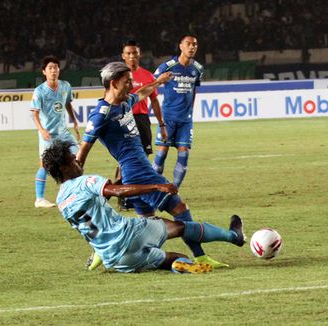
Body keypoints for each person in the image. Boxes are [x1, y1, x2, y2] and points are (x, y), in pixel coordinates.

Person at [76, 62, 236, 268]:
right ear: (114, 83)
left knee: (149, 222)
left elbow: (142, 93)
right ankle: (202, 255)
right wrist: (74, 179)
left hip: (134, 173)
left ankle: (102, 251)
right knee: (180, 209)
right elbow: (83, 149)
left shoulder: (123, 102)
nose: (131, 85)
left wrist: (158, 82)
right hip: (140, 173)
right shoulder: (101, 114)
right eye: (127, 82)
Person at [42, 140, 246, 273]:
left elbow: (102, 202)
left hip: (115, 259)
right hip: (128, 234)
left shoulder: (61, 200)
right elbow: (117, 192)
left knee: (175, 258)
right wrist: (156, 186)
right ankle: (234, 236)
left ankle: (179, 265)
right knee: (179, 226)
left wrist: (118, 183)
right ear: (64, 167)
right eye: (72, 160)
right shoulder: (85, 181)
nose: (78, 161)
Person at [115, 40, 167, 209]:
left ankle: (137, 194)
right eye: (128, 53)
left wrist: (161, 124)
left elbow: (155, 101)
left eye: (134, 53)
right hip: (125, 119)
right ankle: (122, 197)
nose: (132, 56)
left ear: (139, 55)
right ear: (123, 56)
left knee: (142, 158)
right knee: (125, 159)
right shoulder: (118, 77)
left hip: (142, 120)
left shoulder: (147, 76)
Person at [151, 34, 203, 188]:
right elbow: (153, 84)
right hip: (168, 118)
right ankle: (154, 188)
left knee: (184, 153)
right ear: (181, 46)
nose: (192, 47)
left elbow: (194, 90)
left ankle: (174, 190)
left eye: (194, 44)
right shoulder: (167, 66)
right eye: (188, 44)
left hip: (186, 120)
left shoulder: (198, 69)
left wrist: (190, 111)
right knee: (161, 155)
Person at [30, 55, 81, 208]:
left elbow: (67, 104)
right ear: (44, 72)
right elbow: (35, 113)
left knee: (76, 157)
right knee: (45, 165)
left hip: (63, 132)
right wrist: (41, 130)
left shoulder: (65, 86)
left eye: (56, 68)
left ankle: (73, 192)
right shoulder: (39, 91)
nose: (54, 71)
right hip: (48, 134)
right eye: (50, 68)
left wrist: (75, 121)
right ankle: (39, 199)